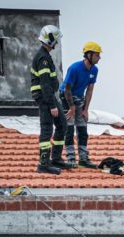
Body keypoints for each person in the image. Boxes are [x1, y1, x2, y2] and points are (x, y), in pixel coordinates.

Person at [30, 25, 69, 175]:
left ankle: (56, 158)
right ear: (50, 39)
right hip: (46, 99)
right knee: (47, 129)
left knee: (62, 124)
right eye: (56, 40)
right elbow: (45, 83)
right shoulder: (42, 57)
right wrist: (52, 105)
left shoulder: (45, 55)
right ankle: (43, 164)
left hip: (49, 97)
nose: (57, 44)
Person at [59, 41, 102, 168]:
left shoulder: (94, 70)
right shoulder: (74, 68)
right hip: (67, 97)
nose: (99, 58)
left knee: (82, 127)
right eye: (97, 55)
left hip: (79, 98)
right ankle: (71, 157)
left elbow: (89, 90)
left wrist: (85, 109)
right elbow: (67, 89)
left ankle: (83, 158)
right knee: (70, 127)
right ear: (89, 55)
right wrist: (71, 108)